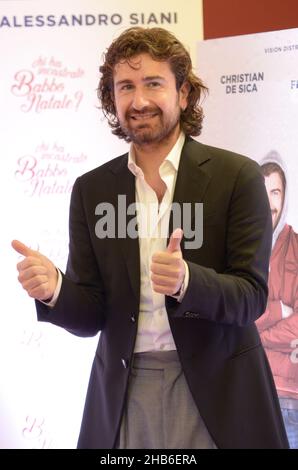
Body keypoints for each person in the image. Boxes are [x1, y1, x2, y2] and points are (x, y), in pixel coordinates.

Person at [12, 27, 289, 449]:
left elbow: (251, 296)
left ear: (183, 93)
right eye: (126, 86)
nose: (138, 100)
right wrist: (56, 291)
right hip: (124, 390)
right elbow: (91, 314)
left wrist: (187, 282)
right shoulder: (92, 190)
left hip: (220, 392)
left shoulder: (239, 177)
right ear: (113, 99)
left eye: (153, 83)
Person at [256, 151, 298, 448]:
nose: (269, 202)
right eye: (262, 192)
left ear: (284, 197)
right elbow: (235, 313)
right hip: (248, 389)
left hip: (288, 395)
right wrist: (278, 311)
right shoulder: (240, 251)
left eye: (275, 191)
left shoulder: (297, 248)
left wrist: (257, 336)